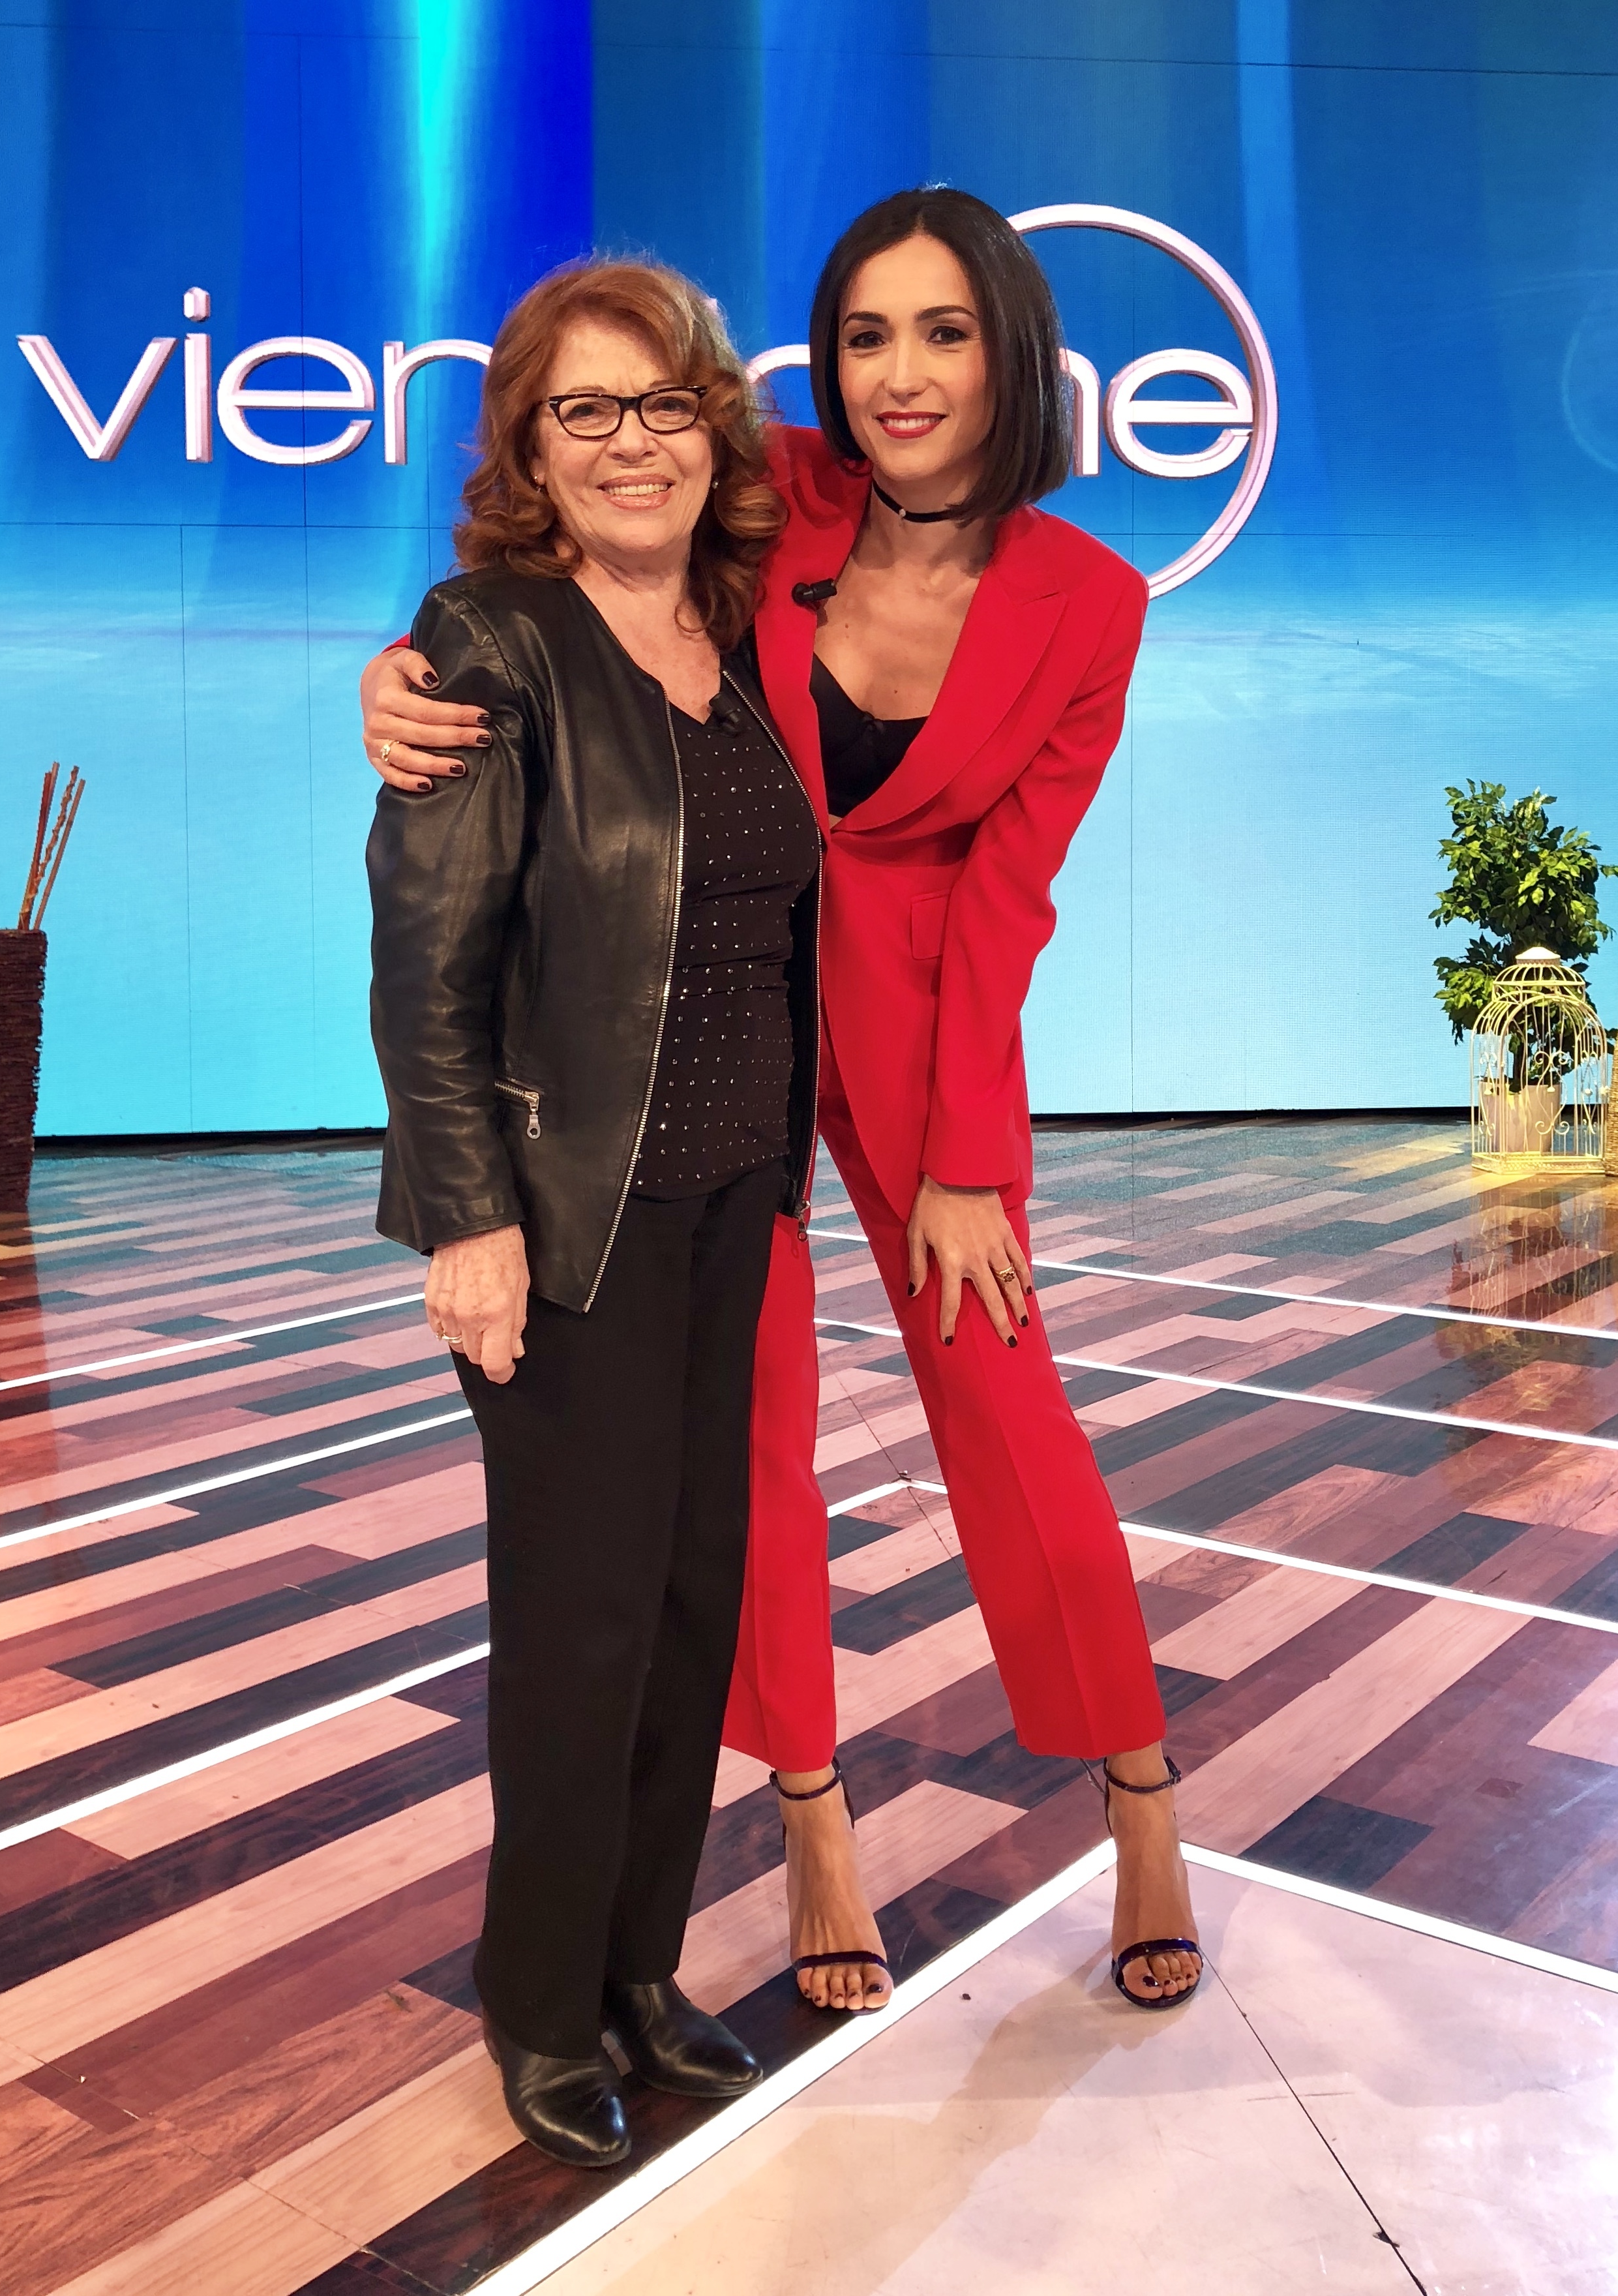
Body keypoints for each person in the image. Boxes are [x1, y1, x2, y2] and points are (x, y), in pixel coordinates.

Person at [363, 189, 1202, 2016]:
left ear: (1015, 353)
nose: (900, 376)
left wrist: (968, 1158)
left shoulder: (1091, 600)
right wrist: (403, 679)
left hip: (920, 1019)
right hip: (705, 1016)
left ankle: (1142, 1801)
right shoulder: (783, 486)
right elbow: (573, 585)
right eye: (865, 336)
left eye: (945, 332)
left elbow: (1013, 891)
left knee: (1014, 1415)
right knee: (742, 1458)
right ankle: (813, 1818)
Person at [367, 256, 822, 2168]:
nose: (632, 442)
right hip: (571, 1218)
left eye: (663, 404)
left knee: (694, 1606)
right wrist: (468, 1221)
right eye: (586, 411)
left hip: (730, 1206)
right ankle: (543, 2004)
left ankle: (642, 1971)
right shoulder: (490, 642)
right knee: (583, 1624)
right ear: (531, 451)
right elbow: (427, 961)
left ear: (715, 425)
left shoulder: (751, 632)